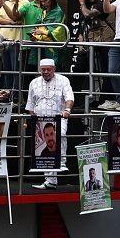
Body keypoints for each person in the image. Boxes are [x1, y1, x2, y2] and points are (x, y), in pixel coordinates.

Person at [25, 56, 73, 189]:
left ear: (54, 69)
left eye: (48, 70)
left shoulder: (63, 80)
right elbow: (30, 105)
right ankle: (50, 181)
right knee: (45, 147)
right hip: (41, 120)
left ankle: (62, 162)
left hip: (59, 117)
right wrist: (34, 119)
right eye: (43, 70)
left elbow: (69, 97)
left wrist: (67, 110)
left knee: (61, 135)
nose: (45, 72)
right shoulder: (34, 83)